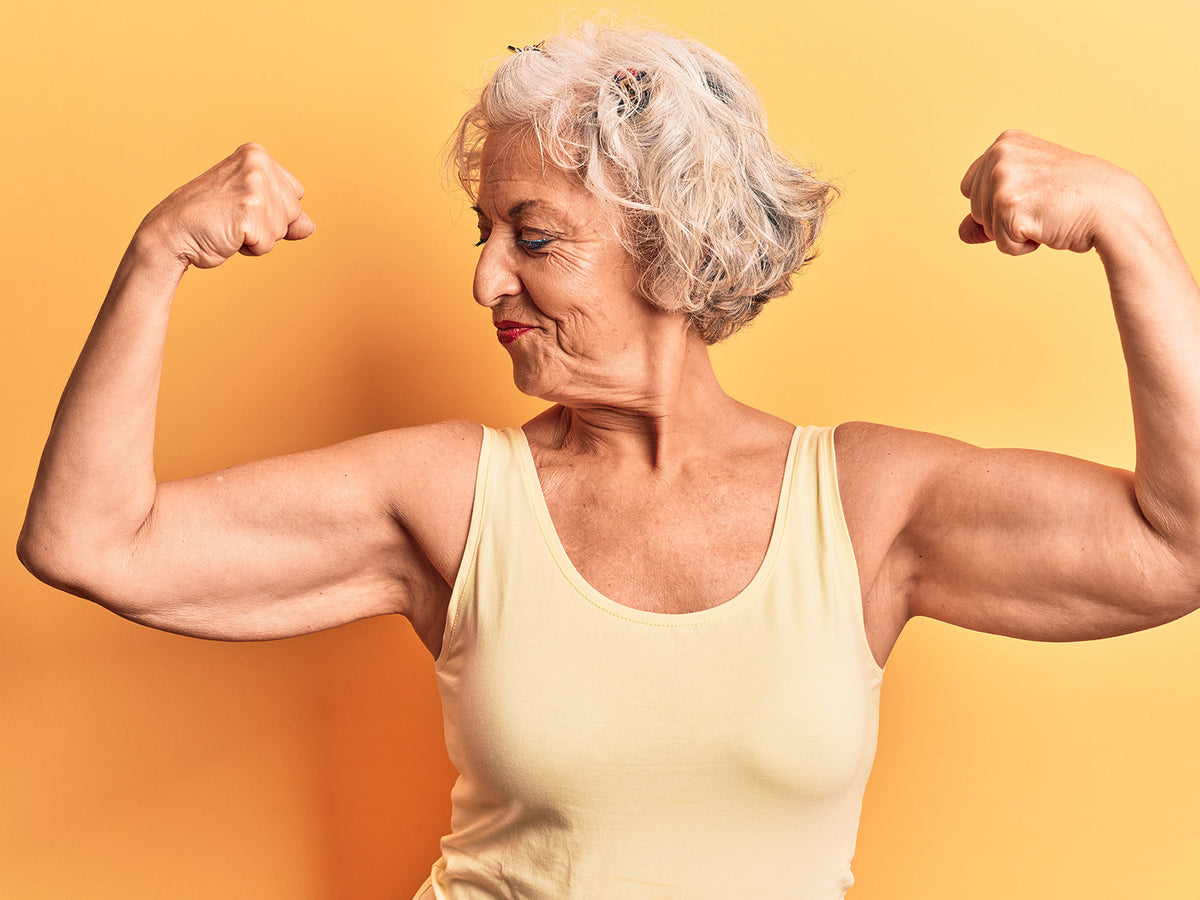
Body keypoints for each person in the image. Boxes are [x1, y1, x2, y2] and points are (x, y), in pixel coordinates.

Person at [16, 21, 1200, 900]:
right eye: (482, 236)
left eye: (532, 237)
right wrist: (157, 255)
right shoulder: (449, 498)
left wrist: (1133, 227)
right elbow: (90, 539)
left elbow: (1177, 542)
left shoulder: (865, 508)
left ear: (672, 251)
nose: (485, 279)